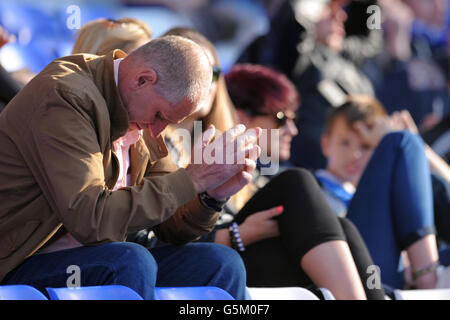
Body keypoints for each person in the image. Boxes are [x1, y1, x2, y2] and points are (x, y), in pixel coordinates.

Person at [0, 35, 263, 300]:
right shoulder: (65, 97)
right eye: (160, 116)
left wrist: (210, 196)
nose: (159, 130)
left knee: (219, 264)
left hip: (84, 258)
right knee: (129, 261)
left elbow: (171, 226)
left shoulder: (139, 106)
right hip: (17, 262)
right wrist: (192, 179)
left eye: (169, 122)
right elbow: (90, 218)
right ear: (142, 80)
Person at [158, 29, 385, 300]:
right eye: (280, 117)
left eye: (214, 72)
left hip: (230, 256)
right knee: (296, 182)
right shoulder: (153, 144)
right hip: (200, 260)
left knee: (340, 226)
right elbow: (153, 230)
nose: (291, 129)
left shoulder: (241, 163)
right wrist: (235, 235)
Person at [316, 95, 444, 289]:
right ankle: (428, 280)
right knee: (404, 141)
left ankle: (426, 275)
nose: (354, 154)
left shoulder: (392, 193)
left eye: (366, 146)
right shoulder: (312, 186)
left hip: (388, 278)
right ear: (325, 144)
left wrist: (418, 150)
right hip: (354, 278)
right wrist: (404, 143)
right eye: (345, 143)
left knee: (408, 142)